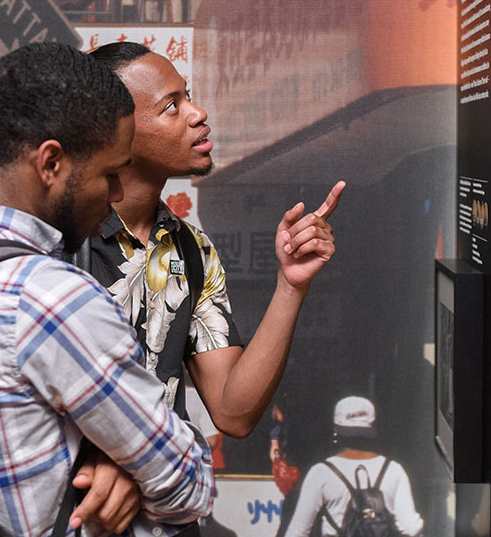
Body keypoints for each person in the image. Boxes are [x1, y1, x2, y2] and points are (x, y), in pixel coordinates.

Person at [0, 42, 213, 537]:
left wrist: (110, 458)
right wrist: (127, 465)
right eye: (108, 174)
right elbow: (187, 482)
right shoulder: (48, 299)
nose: (115, 196)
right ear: (51, 162)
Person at [83, 41, 345, 440]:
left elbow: (232, 412)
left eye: (188, 96)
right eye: (171, 106)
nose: (197, 113)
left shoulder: (192, 250)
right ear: (114, 131)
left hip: (167, 496)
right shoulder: (61, 242)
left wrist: (291, 286)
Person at [278, 396, 425, 537]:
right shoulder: (394, 469)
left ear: (336, 431)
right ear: (371, 430)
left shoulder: (321, 472)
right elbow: (411, 528)